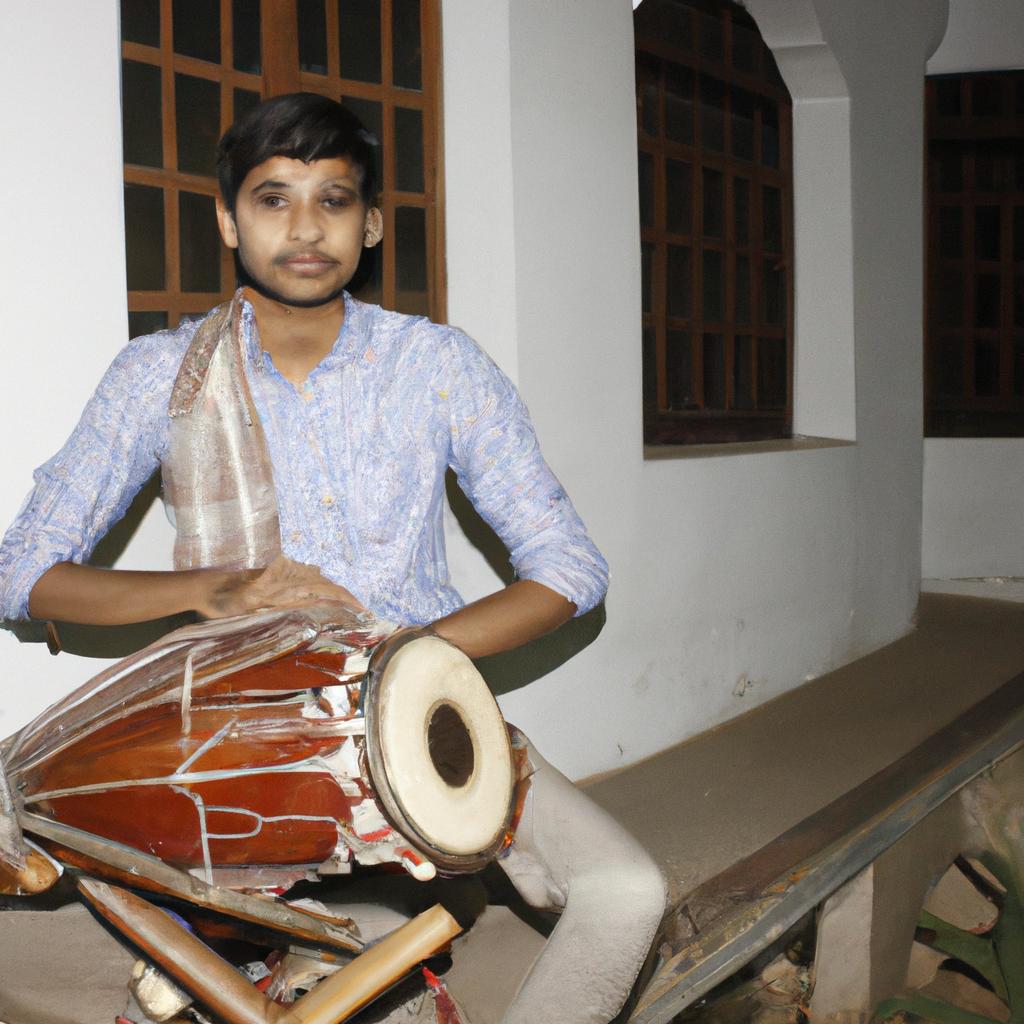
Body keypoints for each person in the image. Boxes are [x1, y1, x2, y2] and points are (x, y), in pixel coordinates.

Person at [0, 93, 664, 1023]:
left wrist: (408, 667)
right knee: (340, 974)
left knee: (627, 894)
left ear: (373, 224)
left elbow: (569, 567)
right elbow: (23, 572)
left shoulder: (435, 366)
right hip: (245, 735)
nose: (306, 229)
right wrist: (212, 591)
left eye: (335, 200)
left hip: (424, 721)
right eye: (273, 200)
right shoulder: (160, 375)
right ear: (229, 219)